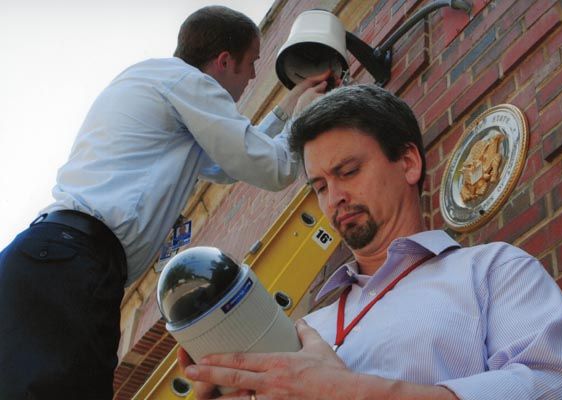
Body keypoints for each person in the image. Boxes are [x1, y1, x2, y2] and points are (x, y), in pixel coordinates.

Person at [178, 84, 562, 399]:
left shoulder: (493, 270)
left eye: (347, 171)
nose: (334, 198)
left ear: (408, 162)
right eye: (320, 186)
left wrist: (352, 392)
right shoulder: (306, 329)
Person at [0, 6, 330, 400]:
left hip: (54, 259)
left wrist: (283, 110)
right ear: (224, 61)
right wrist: (302, 119)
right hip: (74, 265)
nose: (255, 77)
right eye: (252, 62)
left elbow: (225, 167)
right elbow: (272, 168)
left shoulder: (159, 82)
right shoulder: (189, 82)